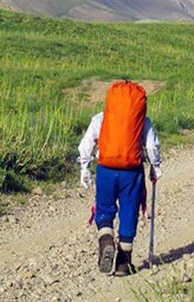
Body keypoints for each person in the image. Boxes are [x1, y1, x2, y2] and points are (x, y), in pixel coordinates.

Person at [78, 80, 163, 276]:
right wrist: (155, 167)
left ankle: (106, 240)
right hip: (132, 172)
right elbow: (151, 146)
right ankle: (123, 264)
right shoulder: (143, 121)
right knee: (129, 210)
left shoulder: (100, 118)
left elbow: (86, 145)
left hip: (106, 169)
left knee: (104, 207)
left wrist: (85, 168)